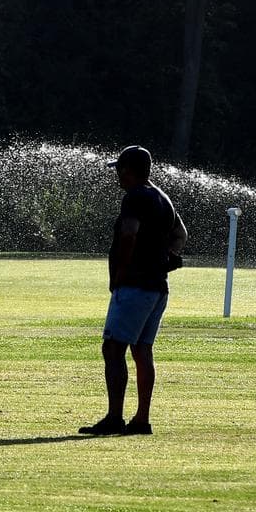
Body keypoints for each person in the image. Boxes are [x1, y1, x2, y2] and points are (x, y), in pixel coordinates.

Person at [79, 145, 187, 436]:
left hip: (136, 285)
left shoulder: (135, 197)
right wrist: (167, 256)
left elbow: (128, 234)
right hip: (157, 287)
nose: (116, 173)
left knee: (113, 348)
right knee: (142, 350)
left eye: (119, 168)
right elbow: (181, 234)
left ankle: (115, 417)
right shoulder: (162, 197)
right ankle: (141, 419)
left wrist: (120, 274)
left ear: (127, 169)